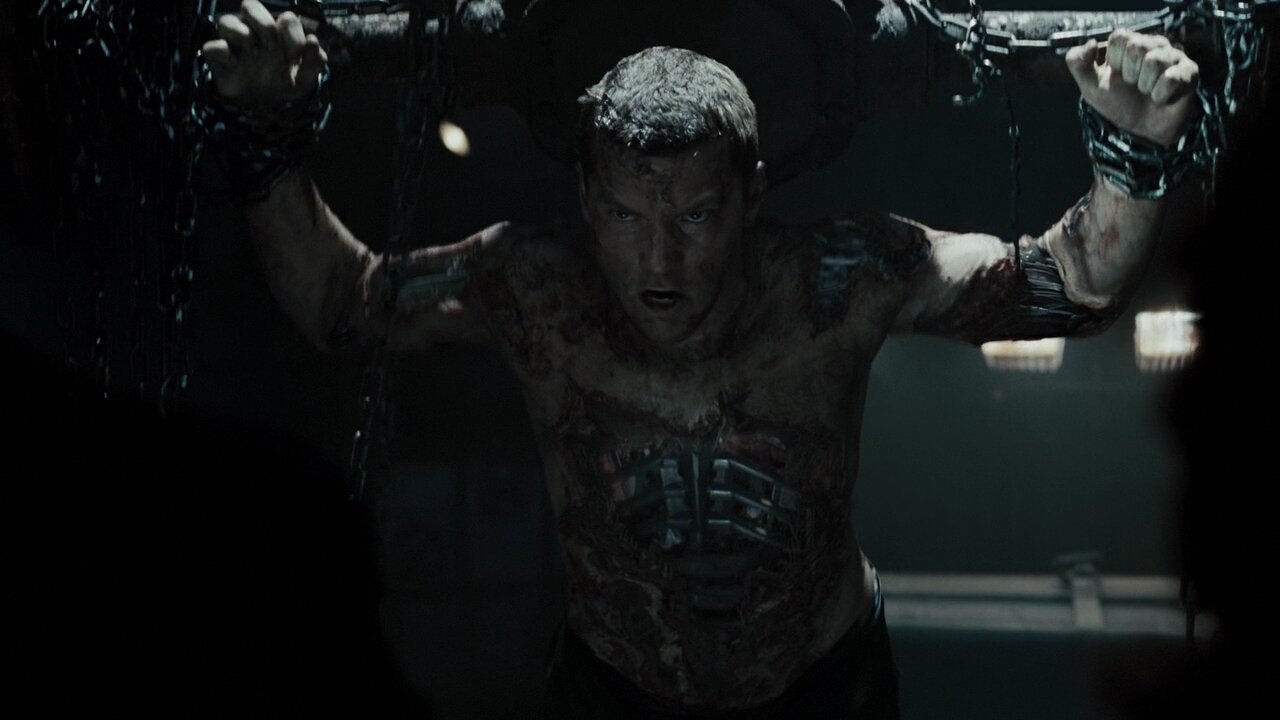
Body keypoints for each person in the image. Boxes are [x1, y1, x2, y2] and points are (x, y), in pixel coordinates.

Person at [200, 2, 1203, 717]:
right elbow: (344, 305)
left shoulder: (839, 280)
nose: (660, 260)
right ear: (585, 201)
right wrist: (263, 136)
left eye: (692, 216)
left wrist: (1133, 154)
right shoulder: (535, 290)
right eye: (626, 216)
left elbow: (1069, 286)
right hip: (609, 690)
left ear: (750, 194)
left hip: (823, 688)